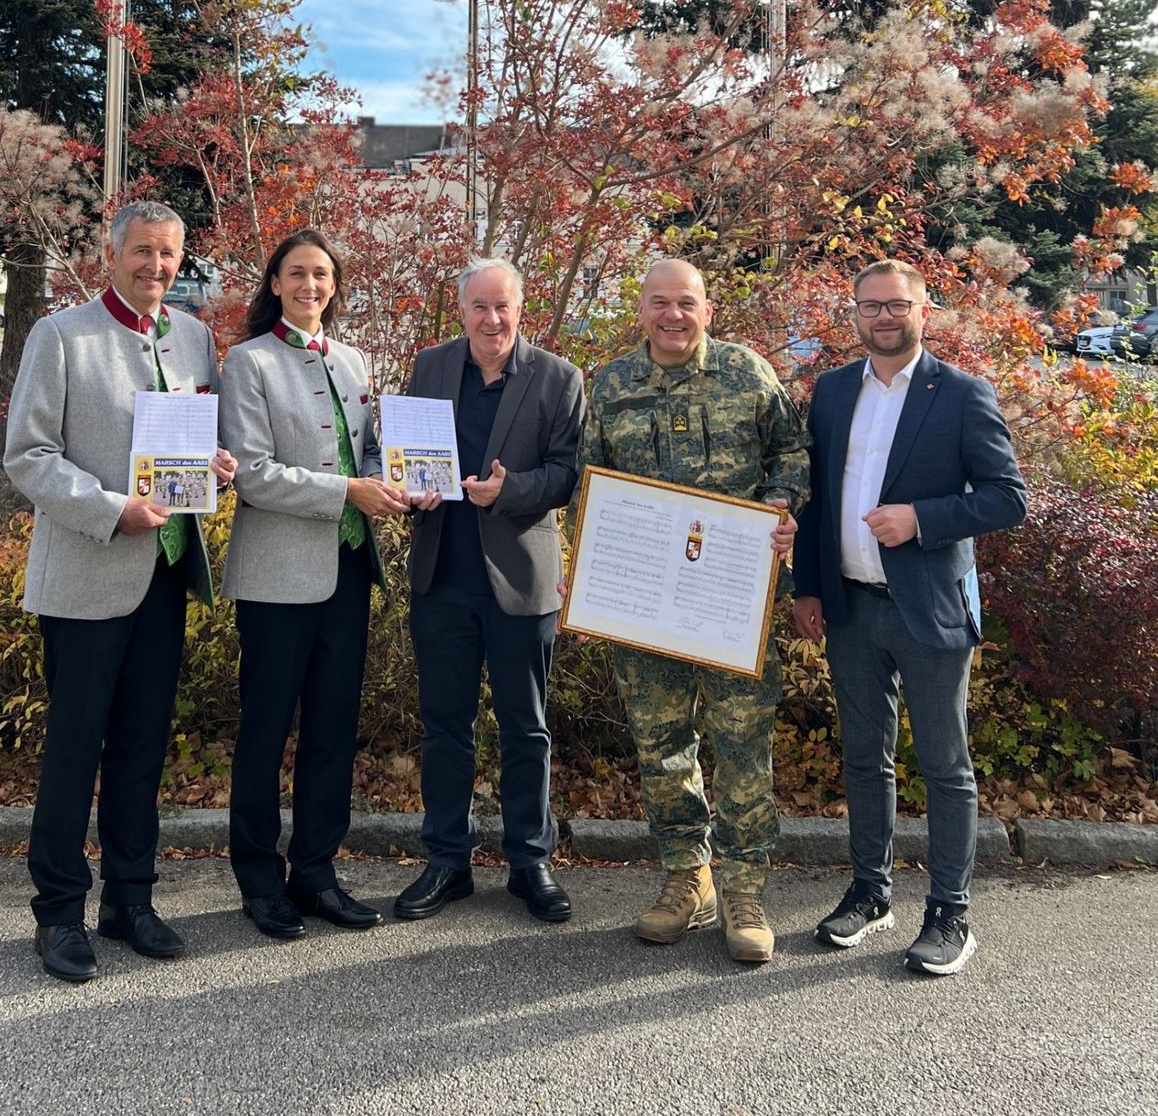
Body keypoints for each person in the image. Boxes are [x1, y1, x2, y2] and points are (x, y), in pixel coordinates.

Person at [4, 200, 237, 984]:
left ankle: (130, 900)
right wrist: (113, 510)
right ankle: (60, 912)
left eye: (168, 254)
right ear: (111, 256)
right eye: (142, 252)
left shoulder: (194, 335)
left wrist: (216, 465)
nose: (156, 266)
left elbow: (190, 440)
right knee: (74, 752)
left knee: (142, 748)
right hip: (86, 575)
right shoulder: (62, 336)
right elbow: (28, 456)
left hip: (165, 577)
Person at [793, 259, 1027, 976]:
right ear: (854, 314)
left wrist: (920, 519)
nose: (884, 318)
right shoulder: (831, 391)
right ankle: (871, 893)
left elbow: (1006, 497)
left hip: (928, 609)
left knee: (944, 766)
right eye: (871, 306)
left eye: (898, 305)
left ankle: (951, 914)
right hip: (853, 609)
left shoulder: (960, 394)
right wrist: (808, 589)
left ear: (925, 310)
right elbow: (815, 499)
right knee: (865, 758)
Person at [570, 259, 807, 963]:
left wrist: (783, 504)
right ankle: (686, 877)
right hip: (644, 602)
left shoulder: (746, 372)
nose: (674, 315)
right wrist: (585, 574)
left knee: (740, 743)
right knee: (662, 742)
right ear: (639, 311)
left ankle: (743, 889)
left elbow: (793, 452)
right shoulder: (610, 384)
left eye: (687, 303)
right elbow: (590, 485)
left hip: (734, 596)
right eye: (660, 304)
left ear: (707, 309)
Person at [219, 230, 410, 940]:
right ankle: (259, 881)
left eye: (322, 274)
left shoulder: (355, 359)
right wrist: (349, 492)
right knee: (267, 733)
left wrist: (401, 477)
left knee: (333, 731)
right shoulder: (249, 361)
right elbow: (252, 472)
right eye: (296, 273)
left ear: (336, 284)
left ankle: (317, 871)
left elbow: (363, 455)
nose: (310, 285)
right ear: (274, 282)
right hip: (276, 576)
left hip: (348, 571)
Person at [393, 259, 585, 925]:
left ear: (521, 307)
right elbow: (409, 455)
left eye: (503, 306)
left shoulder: (559, 378)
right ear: (462, 308)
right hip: (442, 575)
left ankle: (530, 860)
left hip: (522, 583)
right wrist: (411, 491)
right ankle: (447, 859)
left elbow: (567, 475)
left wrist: (512, 491)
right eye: (479, 306)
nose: (492, 319)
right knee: (445, 726)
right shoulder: (431, 368)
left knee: (525, 728)